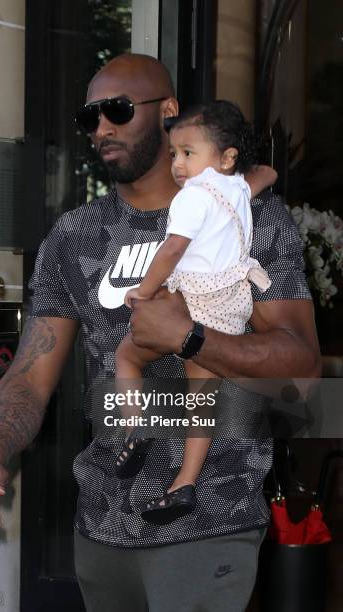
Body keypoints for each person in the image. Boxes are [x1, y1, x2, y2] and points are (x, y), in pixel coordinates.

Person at [0, 54, 321, 612]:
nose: (102, 127)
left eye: (118, 111)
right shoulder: (75, 236)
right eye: (90, 118)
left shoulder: (249, 218)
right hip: (100, 533)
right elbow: (31, 375)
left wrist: (191, 337)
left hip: (208, 526)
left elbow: (302, 370)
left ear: (170, 111)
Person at [114, 101, 276, 525]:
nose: (178, 164)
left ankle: (134, 427)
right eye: (174, 154)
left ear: (224, 157)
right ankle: (184, 484)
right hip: (231, 304)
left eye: (189, 153)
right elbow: (269, 173)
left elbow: (172, 251)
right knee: (201, 400)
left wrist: (141, 292)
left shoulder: (192, 198)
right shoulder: (236, 187)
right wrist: (235, 171)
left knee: (127, 356)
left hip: (194, 299)